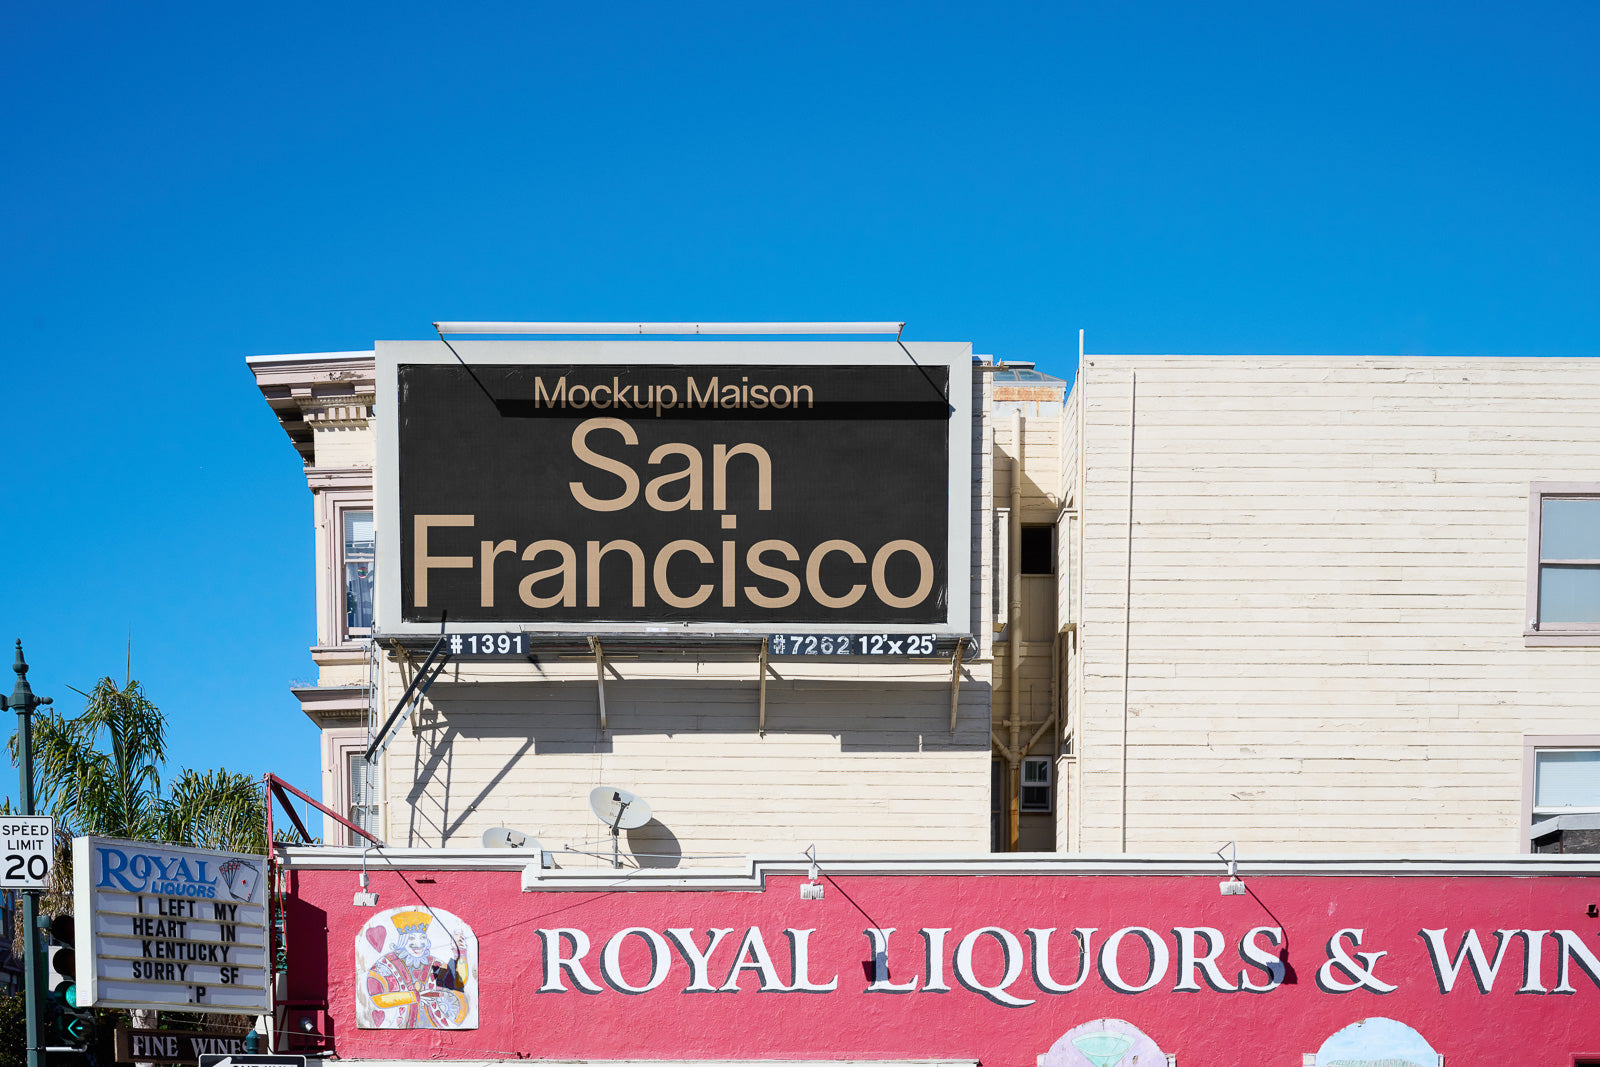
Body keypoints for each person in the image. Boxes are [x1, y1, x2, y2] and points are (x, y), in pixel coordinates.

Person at [363, 909, 469, 1028]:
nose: (419, 944)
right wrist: (414, 996)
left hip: (435, 1025)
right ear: (402, 941)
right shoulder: (387, 964)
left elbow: (457, 984)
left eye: (422, 938)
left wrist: (460, 953)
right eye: (412, 938)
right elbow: (377, 998)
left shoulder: (434, 964)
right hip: (401, 1026)